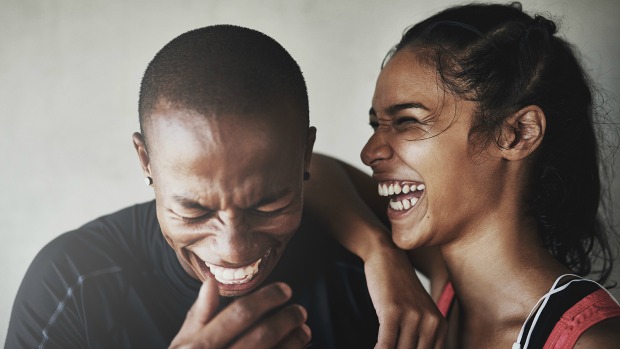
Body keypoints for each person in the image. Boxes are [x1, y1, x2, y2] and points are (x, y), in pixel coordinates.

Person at [5, 25, 444, 349]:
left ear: (305, 155)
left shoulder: (362, 282)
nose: (234, 250)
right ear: (146, 161)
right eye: (194, 212)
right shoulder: (71, 285)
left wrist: (377, 251)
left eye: (268, 205)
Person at [346, 2, 620, 348]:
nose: (369, 152)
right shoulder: (449, 287)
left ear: (518, 133)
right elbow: (312, 173)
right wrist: (379, 254)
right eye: (376, 125)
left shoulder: (589, 343)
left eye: (407, 121)